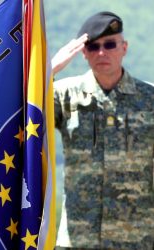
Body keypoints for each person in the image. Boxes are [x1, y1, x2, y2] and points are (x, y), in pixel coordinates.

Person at [52, 11, 154, 249]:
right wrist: (49, 70)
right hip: (78, 238)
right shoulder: (64, 94)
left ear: (124, 48)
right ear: (84, 53)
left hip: (136, 238)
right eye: (93, 46)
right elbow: (20, 109)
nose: (101, 52)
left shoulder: (150, 99)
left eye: (109, 44)